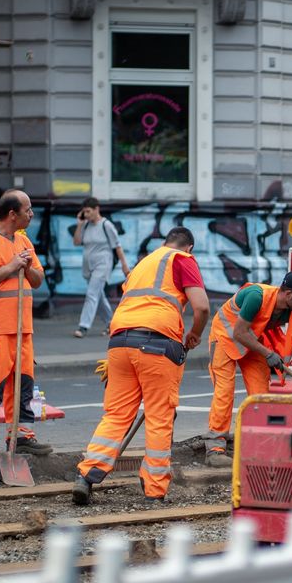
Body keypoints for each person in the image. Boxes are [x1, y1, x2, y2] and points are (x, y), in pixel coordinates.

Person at [73, 226, 210, 504]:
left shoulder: (142, 264)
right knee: (159, 417)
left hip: (120, 342)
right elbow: (202, 307)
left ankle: (86, 476)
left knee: (116, 415)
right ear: (189, 247)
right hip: (158, 344)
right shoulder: (182, 259)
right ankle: (154, 489)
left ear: (164, 242)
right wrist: (194, 333)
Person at [202, 271, 292, 466]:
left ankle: (256, 443)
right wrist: (268, 354)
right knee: (224, 391)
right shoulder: (256, 297)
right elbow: (240, 332)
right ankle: (215, 448)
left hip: (252, 340)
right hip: (225, 336)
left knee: (260, 394)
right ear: (289, 294)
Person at [0, 190, 53, 459]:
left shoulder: (24, 241)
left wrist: (25, 267)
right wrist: (11, 265)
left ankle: (22, 435)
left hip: (22, 328)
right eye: (28, 210)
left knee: (24, 385)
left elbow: (37, 280)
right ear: (12, 214)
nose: (32, 214)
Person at [72, 197, 132, 338]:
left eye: (88, 211)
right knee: (98, 295)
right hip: (88, 266)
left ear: (96, 209)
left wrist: (124, 265)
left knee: (91, 294)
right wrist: (80, 224)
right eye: (84, 212)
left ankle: (83, 326)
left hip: (103, 264)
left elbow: (117, 246)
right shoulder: (86, 225)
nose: (86, 215)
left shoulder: (106, 225)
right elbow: (76, 242)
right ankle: (112, 324)